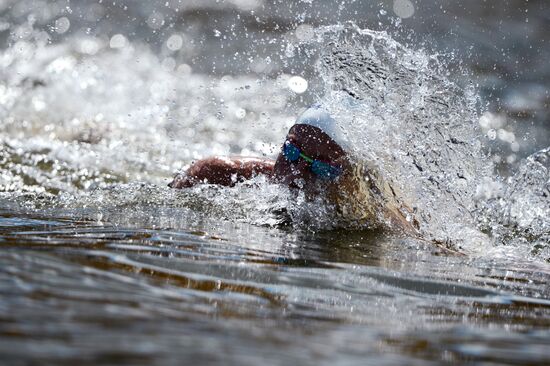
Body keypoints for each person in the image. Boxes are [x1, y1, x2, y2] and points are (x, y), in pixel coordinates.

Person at [169, 105, 420, 233]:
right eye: (290, 152)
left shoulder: (384, 222)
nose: (295, 174)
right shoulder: (218, 173)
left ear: (352, 181)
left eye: (321, 168)